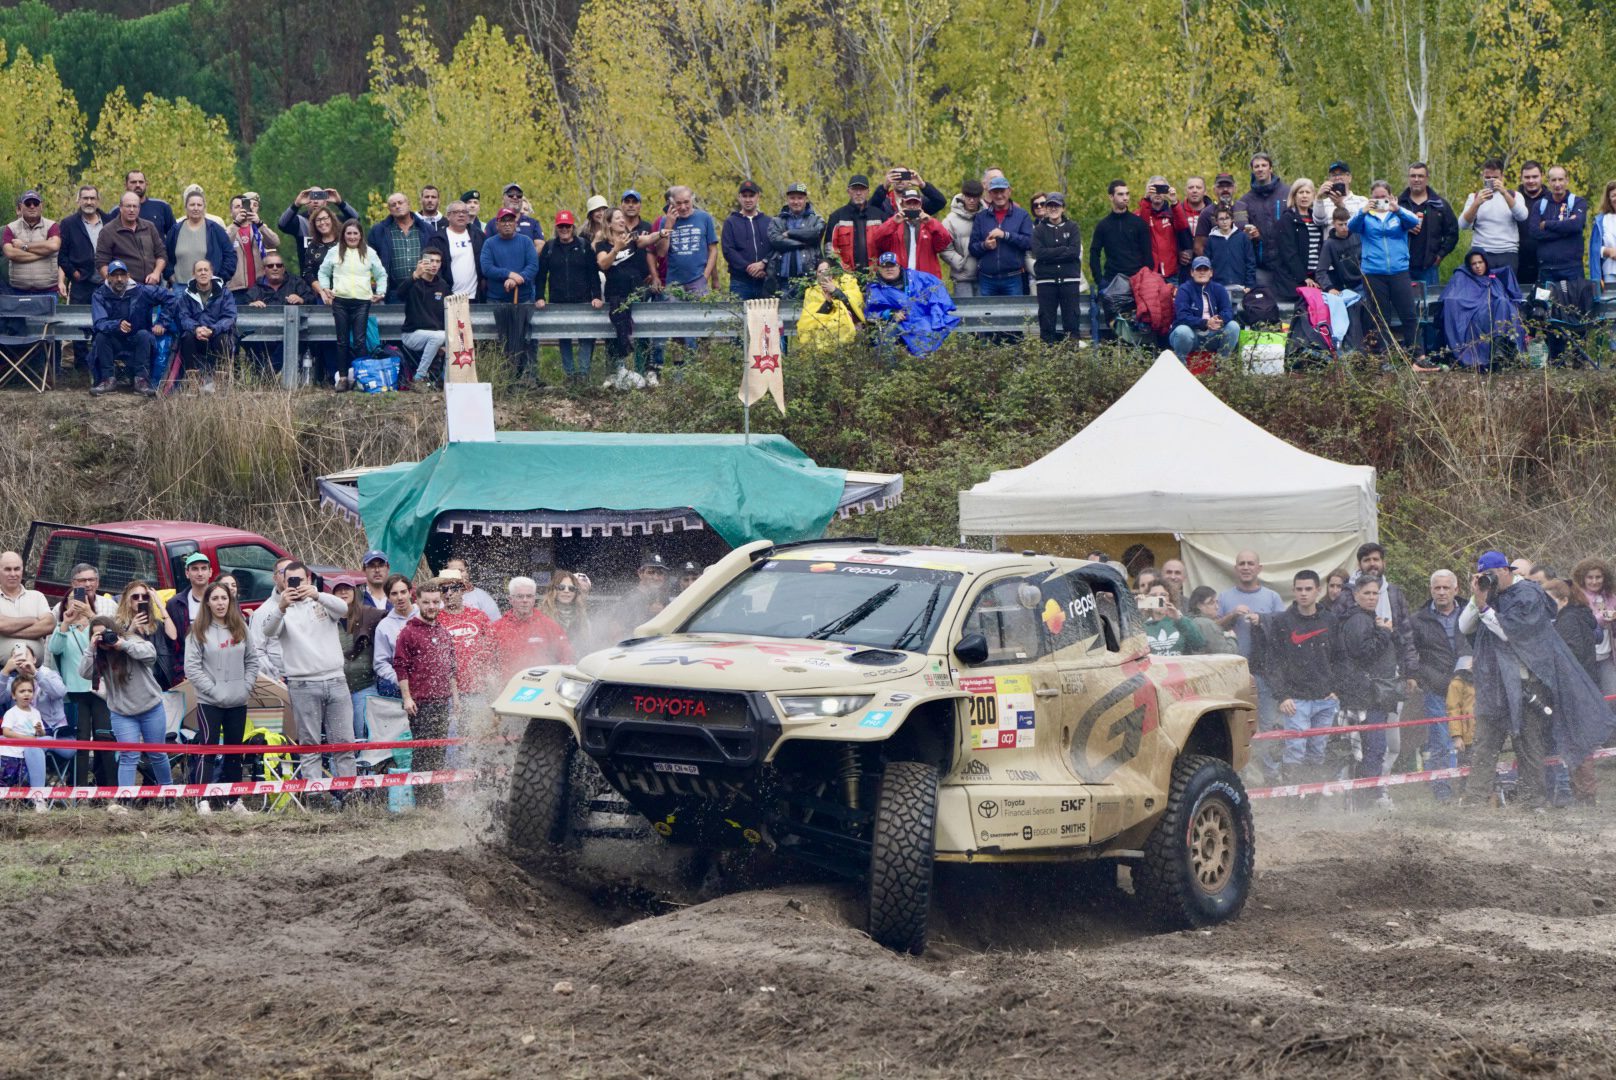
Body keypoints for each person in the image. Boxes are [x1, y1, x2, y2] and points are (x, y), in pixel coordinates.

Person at [1460, 551, 1613, 809]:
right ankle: (1474, 801)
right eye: (1483, 576)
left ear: (1506, 571)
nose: (1489, 580)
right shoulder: (1489, 594)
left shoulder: (1529, 594)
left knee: (1529, 744)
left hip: (1526, 683)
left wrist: (1485, 607)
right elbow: (1464, 626)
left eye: (1492, 575)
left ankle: (1533, 801)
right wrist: (1478, 598)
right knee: (1485, 743)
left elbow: (1511, 634)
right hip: (1495, 684)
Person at [258, 561, 356, 788]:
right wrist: (282, 606)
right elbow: (268, 630)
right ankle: (315, 792)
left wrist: (318, 595)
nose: (294, 585)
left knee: (344, 742)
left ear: (308, 580)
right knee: (310, 743)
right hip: (302, 683)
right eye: (289, 580)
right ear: (282, 582)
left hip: (335, 679)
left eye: (299, 580)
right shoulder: (279, 609)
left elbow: (343, 609)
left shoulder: (321, 601)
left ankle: (348, 790)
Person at [1255, 570, 1337, 789]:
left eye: (1308, 589)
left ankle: (1312, 798)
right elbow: (1273, 662)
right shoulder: (1282, 621)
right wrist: (1282, 696)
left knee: (1318, 750)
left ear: (1318, 591)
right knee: (1295, 750)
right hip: (1295, 700)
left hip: (1325, 698)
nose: (1303, 594)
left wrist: (1337, 689)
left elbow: (1341, 657)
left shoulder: (1330, 619)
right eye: (1299, 589)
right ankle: (1293, 797)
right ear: (1293, 591)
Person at [81, 609, 169, 813]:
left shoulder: (131, 641)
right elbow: (84, 673)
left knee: (157, 754)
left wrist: (123, 645)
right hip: (122, 712)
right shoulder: (98, 655)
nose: (105, 639)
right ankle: (126, 801)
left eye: (106, 633)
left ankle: (169, 796)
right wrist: (92, 648)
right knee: (128, 755)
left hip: (150, 707)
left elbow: (151, 654)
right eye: (99, 636)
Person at [184, 581, 260, 813]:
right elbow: (192, 668)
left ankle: (234, 800)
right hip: (211, 702)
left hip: (238, 700)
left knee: (234, 751)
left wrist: (245, 687)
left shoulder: (241, 628)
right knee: (208, 749)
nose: (220, 603)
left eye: (224, 598)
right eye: (215, 598)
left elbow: (252, 660)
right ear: (207, 602)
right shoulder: (198, 631)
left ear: (230, 600)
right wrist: (215, 690)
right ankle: (203, 799)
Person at [1218, 550, 1287, 783]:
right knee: (1236, 726)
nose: (1246, 567)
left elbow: (1285, 629)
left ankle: (1271, 774)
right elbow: (1212, 629)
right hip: (1234, 676)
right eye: (1241, 564)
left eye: (1250, 563)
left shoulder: (1272, 597)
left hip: (1264, 673)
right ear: (1236, 568)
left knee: (1266, 724)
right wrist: (1231, 615)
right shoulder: (1225, 597)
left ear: (1260, 568)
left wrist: (1262, 620)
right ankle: (1240, 775)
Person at [1334, 575, 1399, 808]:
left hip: (1370, 694)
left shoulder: (1367, 618)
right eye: (1367, 593)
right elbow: (1364, 653)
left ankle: (1365, 799)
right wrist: (1384, 633)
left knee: (1370, 750)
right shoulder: (1359, 620)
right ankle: (1366, 800)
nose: (1371, 598)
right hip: (1366, 696)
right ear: (1356, 595)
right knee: (1373, 750)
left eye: (1375, 594)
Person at [391, 580, 457, 806]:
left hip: (442, 700)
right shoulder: (408, 632)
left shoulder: (443, 631)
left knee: (439, 752)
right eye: (426, 602)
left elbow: (451, 669)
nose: (431, 606)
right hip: (420, 702)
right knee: (423, 752)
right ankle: (424, 801)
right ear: (416, 601)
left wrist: (455, 699)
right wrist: (406, 697)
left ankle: (436, 799)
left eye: (435, 602)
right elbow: (400, 666)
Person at [1348, 181, 1423, 362]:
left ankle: (1417, 355)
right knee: (1381, 317)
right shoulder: (1365, 217)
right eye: (1377, 197)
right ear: (1371, 198)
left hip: (1399, 271)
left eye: (1384, 197)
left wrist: (1397, 208)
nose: (1381, 200)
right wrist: (1363, 211)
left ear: (1390, 196)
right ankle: (1385, 357)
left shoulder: (1398, 214)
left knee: (1409, 315)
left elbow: (1414, 221)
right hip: (1374, 273)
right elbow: (1351, 227)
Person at [1410, 570, 1466, 803]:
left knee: (1469, 739)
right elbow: (1413, 655)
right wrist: (1423, 676)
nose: (1441, 592)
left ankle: (1468, 786)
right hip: (1437, 687)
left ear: (1456, 589)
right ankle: (1442, 789)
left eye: (1446, 588)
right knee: (1440, 740)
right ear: (1431, 590)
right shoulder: (1418, 620)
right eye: (1437, 588)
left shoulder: (1470, 614)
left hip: (1468, 686)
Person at [535, 210, 604, 380]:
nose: (564, 229)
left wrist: (596, 296)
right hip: (558, 300)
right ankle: (569, 374)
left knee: (586, 336)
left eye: (567, 226)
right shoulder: (549, 247)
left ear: (572, 227)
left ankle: (583, 373)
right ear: (556, 227)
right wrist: (539, 296)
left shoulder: (584, 245)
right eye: (561, 226)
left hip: (583, 299)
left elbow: (593, 273)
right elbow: (542, 275)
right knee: (564, 337)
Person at [88, 260, 175, 396]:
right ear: (108, 277)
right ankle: (107, 380)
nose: (119, 279)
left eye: (122, 275)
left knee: (144, 335)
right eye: (115, 276)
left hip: (137, 339)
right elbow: (99, 322)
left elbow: (170, 298)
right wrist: (117, 325)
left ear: (128, 276)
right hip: (113, 340)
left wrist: (162, 322)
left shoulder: (142, 291)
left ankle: (141, 382)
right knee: (101, 336)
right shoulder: (99, 294)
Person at [316, 219, 386, 378]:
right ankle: (342, 377)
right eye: (349, 233)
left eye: (355, 233)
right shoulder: (335, 251)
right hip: (340, 301)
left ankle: (362, 376)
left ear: (361, 235)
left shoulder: (369, 252)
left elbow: (381, 274)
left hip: (362, 302)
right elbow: (323, 272)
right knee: (342, 341)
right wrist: (326, 288)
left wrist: (380, 292)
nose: (352, 237)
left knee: (360, 341)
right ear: (343, 235)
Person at [480, 209, 540, 378]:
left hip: (524, 299)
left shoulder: (526, 242)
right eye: (503, 221)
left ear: (515, 223)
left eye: (510, 220)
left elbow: (533, 266)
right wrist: (508, 274)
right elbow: (487, 267)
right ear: (497, 224)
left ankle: (530, 376)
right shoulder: (490, 244)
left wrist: (518, 278)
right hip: (496, 300)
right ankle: (500, 376)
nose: (507, 223)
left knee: (528, 339)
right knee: (498, 340)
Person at [1088, 181, 1151, 340]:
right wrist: (1100, 280)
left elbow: (1148, 255)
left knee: (1139, 327)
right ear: (1111, 197)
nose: (1125, 198)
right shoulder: (1103, 225)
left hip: (1136, 282)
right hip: (1112, 282)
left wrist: (1145, 279)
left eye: (1127, 194)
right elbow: (1094, 253)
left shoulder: (1139, 224)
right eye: (1121, 194)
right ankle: (1115, 360)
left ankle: (1139, 360)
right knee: (1115, 330)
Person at [865, 251, 960, 357]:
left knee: (928, 331)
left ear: (899, 266)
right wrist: (891, 313)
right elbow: (872, 312)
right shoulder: (875, 287)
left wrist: (936, 314)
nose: (888, 269)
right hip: (897, 323)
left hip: (924, 318)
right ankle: (888, 371)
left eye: (892, 265)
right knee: (886, 337)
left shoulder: (919, 278)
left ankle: (925, 365)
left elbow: (938, 293)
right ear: (879, 268)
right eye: (884, 266)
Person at [1442, 250, 1525, 371]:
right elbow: (1452, 298)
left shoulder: (1493, 279)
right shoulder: (1462, 277)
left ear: (1485, 263)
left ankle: (1499, 348)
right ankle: (1493, 352)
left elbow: (1506, 299)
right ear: (1469, 266)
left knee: (1502, 303)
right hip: (1472, 315)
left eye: (1480, 262)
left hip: (1492, 314)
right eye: (1474, 263)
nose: (1477, 266)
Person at [492, 576, 573, 682]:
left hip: (540, 687)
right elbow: (488, 664)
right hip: (507, 689)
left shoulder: (549, 625)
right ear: (510, 599)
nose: (525, 600)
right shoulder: (497, 628)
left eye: (529, 596)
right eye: (520, 596)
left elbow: (566, 657)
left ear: (534, 599)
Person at [595, 209, 644, 379]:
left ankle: (640, 368)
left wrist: (659, 234)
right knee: (617, 324)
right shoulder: (602, 245)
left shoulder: (631, 237)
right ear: (609, 223)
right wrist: (616, 249)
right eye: (618, 218)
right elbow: (603, 264)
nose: (622, 220)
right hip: (615, 291)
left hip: (635, 289)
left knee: (640, 330)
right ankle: (618, 368)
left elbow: (646, 240)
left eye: (623, 217)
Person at [967, 176, 1034, 297]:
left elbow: (1029, 243)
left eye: (1002, 191)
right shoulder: (981, 217)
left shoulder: (1022, 215)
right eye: (995, 192)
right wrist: (984, 245)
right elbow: (972, 248)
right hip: (986, 279)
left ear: (1009, 191)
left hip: (1013, 278)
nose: (999, 196)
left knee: (1015, 315)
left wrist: (1006, 235)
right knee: (985, 315)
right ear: (990, 194)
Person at [175, 259, 236, 391]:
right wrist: (196, 328)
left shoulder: (224, 293)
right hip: (196, 335)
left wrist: (213, 330)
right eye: (199, 270)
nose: (203, 273)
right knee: (186, 338)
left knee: (223, 339)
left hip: (216, 333)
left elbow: (230, 317)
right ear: (194, 274)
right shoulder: (186, 295)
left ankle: (220, 385)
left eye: (206, 270)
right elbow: (183, 317)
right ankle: (193, 383)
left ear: (211, 273)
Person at [1459, 158, 1528, 273]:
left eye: (1495, 178)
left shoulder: (1515, 195)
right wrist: (1476, 204)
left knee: (1505, 289)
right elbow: (1463, 225)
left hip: (1508, 252)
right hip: (1481, 252)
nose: (1491, 180)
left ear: (1502, 177)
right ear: (1482, 177)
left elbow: (1523, 216)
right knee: (1483, 290)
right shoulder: (1474, 197)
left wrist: (1504, 193)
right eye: (1487, 178)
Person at [1030, 192, 1082, 343]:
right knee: (1046, 325)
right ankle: (1048, 362)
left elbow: (1074, 252)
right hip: (1046, 282)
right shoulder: (1039, 230)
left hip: (1069, 281)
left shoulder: (1073, 227)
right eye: (1050, 205)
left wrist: (1050, 253)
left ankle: (1072, 361)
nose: (1054, 208)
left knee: (1072, 323)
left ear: (1063, 208)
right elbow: (1038, 253)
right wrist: (1062, 249)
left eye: (1057, 205)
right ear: (1046, 208)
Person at [335, 581, 385, 739]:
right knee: (340, 738)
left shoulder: (368, 614)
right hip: (336, 689)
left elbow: (392, 617)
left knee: (364, 735)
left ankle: (366, 764)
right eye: (339, 589)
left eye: (347, 588)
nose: (343, 592)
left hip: (364, 686)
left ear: (354, 591)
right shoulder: (327, 618)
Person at [1399, 162, 1459, 292]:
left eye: (1420, 176)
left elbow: (1453, 233)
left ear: (1427, 178)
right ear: (1408, 178)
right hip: (1401, 267)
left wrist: (1440, 255)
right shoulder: (1399, 204)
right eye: (1413, 176)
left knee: (1429, 307)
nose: (1416, 180)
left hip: (1429, 267)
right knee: (1404, 309)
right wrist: (1404, 228)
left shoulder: (1439, 204)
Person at [869, 188, 953, 277]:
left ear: (920, 205)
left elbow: (945, 242)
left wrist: (931, 222)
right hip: (900, 279)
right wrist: (893, 222)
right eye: (908, 203)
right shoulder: (894, 225)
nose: (912, 207)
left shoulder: (929, 225)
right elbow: (876, 240)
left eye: (915, 203)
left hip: (925, 279)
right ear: (902, 204)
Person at [1169, 256, 1239, 363]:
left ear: (1211, 273)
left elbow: (1228, 311)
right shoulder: (1184, 289)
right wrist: (1206, 323)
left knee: (1233, 326)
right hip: (1192, 335)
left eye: (1205, 269)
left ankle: (1222, 365)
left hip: (1212, 334)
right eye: (1198, 269)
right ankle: (1181, 366)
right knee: (1182, 331)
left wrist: (1219, 319)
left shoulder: (1219, 288)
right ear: (1192, 273)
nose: (1202, 272)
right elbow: (1182, 316)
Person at [368, 192, 435, 305]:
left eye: (400, 203)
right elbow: (370, 260)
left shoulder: (426, 229)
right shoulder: (379, 231)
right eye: (393, 205)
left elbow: (435, 255)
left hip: (422, 289)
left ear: (408, 204)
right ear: (389, 209)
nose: (397, 206)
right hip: (394, 291)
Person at [164, 187, 236, 290]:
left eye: (199, 205)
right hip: (181, 288)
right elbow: (165, 255)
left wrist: (220, 278)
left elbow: (230, 255)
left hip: (208, 289)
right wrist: (170, 275)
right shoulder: (175, 230)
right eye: (192, 205)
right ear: (186, 207)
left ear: (204, 207)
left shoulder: (215, 230)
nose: (196, 208)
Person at [1236, 154, 1290, 286]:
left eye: (1264, 165)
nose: (1260, 169)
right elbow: (1239, 232)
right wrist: (1247, 233)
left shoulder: (1288, 193)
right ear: (1253, 170)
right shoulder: (1244, 201)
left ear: (1270, 168)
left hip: (1287, 264)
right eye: (1256, 166)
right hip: (1260, 265)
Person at [1528, 166, 1587, 284]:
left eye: (1560, 179)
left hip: (1572, 269)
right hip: (1546, 270)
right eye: (1553, 180)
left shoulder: (1578, 202)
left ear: (1567, 180)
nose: (1557, 184)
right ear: (1548, 181)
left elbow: (1576, 225)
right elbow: (1534, 232)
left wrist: (1547, 224)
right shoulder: (1539, 205)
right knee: (1544, 303)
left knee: (1574, 303)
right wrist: (1566, 230)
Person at [399, 251, 448, 391]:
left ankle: (443, 380)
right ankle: (418, 378)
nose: (434, 265)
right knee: (440, 336)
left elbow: (449, 311)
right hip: (412, 335)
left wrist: (445, 342)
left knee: (451, 337)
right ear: (422, 263)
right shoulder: (413, 282)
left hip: (436, 336)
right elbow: (399, 294)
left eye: (438, 261)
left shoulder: (442, 285)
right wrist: (415, 275)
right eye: (430, 261)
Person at [658, 185, 719, 296]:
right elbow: (661, 252)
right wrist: (668, 227)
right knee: (672, 313)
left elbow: (713, 250)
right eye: (678, 203)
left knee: (701, 313)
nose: (683, 207)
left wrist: (706, 276)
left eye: (686, 202)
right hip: (674, 282)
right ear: (671, 203)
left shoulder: (705, 218)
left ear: (692, 199)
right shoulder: (665, 220)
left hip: (698, 280)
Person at [96, 192, 167, 286]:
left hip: (151, 287)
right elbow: (101, 262)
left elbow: (161, 254)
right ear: (120, 208)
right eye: (128, 206)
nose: (132, 210)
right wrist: (114, 283)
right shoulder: (108, 231)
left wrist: (156, 273)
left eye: (135, 206)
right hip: (125, 290)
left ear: (139, 208)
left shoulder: (149, 227)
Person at [162, 552, 214, 677]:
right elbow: (172, 644)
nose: (200, 573)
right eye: (195, 569)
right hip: (189, 668)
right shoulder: (175, 604)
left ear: (210, 572)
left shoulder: (224, 598)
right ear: (187, 573)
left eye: (203, 568)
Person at [1271, 178, 1324, 298]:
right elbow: (1289, 252)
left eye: (1308, 192)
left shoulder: (1317, 218)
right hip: (1295, 278)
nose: (1304, 196)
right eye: (1301, 192)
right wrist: (1303, 277)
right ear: (1294, 196)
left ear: (1313, 196)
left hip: (1315, 276)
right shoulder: (1288, 219)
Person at [1570, 557, 1616, 695]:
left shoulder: (1610, 596)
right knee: (1591, 696)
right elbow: (1581, 623)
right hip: (1586, 657)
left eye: (1598, 577)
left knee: (1612, 695)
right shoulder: (1576, 596)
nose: (1594, 581)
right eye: (1590, 577)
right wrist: (1604, 617)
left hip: (1606, 655)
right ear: (1582, 578)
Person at [795, 259, 865, 349]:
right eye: (820, 271)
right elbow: (810, 318)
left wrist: (835, 291)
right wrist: (828, 302)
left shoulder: (845, 282)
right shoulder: (811, 292)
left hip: (846, 327)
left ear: (832, 271)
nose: (824, 273)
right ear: (816, 274)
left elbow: (856, 308)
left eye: (826, 270)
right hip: (822, 331)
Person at [3, 190, 61, 297]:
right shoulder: (10, 228)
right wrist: (44, 252)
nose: (32, 206)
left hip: (48, 291)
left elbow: (54, 245)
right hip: (18, 291)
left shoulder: (52, 226)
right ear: (21, 207)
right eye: (28, 203)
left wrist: (23, 246)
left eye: (36, 203)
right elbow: (11, 253)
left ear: (41, 206)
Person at [824, 174, 886, 274]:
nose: (858, 193)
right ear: (848, 191)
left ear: (868, 192)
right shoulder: (836, 217)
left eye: (862, 189)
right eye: (855, 189)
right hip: (846, 276)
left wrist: (881, 270)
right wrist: (841, 272)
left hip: (876, 276)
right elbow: (829, 249)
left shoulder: (880, 216)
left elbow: (888, 246)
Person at [768, 182, 824, 292]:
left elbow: (816, 234)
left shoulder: (816, 219)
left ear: (806, 199)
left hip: (809, 279)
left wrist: (789, 233)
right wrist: (804, 242)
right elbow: (776, 241)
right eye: (792, 198)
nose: (796, 201)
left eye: (800, 198)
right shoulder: (776, 220)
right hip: (782, 281)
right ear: (787, 199)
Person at [57, 186, 109, 303]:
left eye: (92, 198)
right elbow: (61, 255)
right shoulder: (68, 224)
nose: (89, 202)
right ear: (78, 200)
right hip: (81, 285)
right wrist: (74, 273)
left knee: (107, 319)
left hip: (107, 283)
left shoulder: (109, 221)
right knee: (79, 319)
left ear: (98, 201)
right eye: (85, 198)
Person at [277, 186, 358, 260]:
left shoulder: (335, 221)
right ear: (306, 203)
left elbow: (355, 221)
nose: (315, 201)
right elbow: (282, 224)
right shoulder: (300, 222)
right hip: (308, 274)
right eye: (312, 197)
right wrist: (296, 204)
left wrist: (340, 203)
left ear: (326, 202)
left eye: (319, 196)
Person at [0, 551, 52, 664]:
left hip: (34, 675)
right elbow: (1, 624)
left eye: (17, 569)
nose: (13, 574)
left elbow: (49, 624)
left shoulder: (37, 596)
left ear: (22, 570)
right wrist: (32, 620)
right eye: (7, 569)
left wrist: (8, 632)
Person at [1136, 176, 1192, 279]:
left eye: (1161, 189)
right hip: (1149, 274)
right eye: (1154, 189)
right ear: (1148, 191)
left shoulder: (1173, 213)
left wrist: (1175, 203)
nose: (1157, 193)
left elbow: (1183, 227)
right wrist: (1146, 200)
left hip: (1171, 273)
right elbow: (1142, 228)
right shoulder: (1139, 213)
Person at [426, 201, 484, 300]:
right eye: (456, 212)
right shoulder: (437, 239)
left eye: (464, 212)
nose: (461, 215)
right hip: (449, 297)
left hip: (475, 297)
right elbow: (432, 269)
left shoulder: (478, 235)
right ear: (448, 216)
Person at [224, 194, 278, 300]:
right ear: (231, 212)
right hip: (236, 289)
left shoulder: (258, 228)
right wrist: (236, 224)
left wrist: (260, 224)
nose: (241, 210)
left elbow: (275, 242)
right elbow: (223, 245)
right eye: (237, 207)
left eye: (242, 206)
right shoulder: (228, 230)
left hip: (260, 286)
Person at [247, 557, 293, 680]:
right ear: (275, 578)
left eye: (292, 570)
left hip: (313, 675)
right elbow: (256, 650)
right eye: (283, 572)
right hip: (285, 677)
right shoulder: (263, 612)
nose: (288, 575)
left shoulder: (309, 604)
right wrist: (275, 676)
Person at [373, 573, 416, 699]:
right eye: (394, 594)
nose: (400, 597)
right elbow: (380, 663)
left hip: (427, 682)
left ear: (410, 592)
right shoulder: (384, 626)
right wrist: (399, 680)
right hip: (400, 686)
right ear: (388, 597)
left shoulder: (424, 613)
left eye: (403, 592)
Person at [940, 179, 984, 297]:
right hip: (962, 278)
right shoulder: (949, 221)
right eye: (968, 196)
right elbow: (944, 249)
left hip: (985, 276)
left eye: (975, 197)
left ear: (980, 197)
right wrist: (961, 263)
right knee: (966, 313)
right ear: (963, 196)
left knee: (986, 313)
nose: (971, 200)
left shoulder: (987, 216)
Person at [542, 570, 597, 655]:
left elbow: (588, 648)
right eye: (561, 587)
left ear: (575, 592)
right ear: (554, 590)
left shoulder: (583, 619)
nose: (566, 591)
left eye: (571, 588)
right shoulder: (542, 616)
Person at [1140, 583, 1204, 656]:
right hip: (1154, 667)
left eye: (1163, 595)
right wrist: (1137, 615)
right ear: (1147, 600)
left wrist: (1179, 619)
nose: (1158, 598)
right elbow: (1131, 651)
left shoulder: (1181, 621)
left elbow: (1199, 645)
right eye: (1153, 595)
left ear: (1170, 598)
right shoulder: (1143, 626)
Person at [1204, 206, 1256, 288]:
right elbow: (1207, 264)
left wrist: (1249, 285)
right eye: (1221, 219)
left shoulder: (1242, 237)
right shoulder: (1211, 240)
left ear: (1232, 220)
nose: (1224, 222)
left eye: (1227, 218)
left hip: (1240, 284)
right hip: (1218, 286)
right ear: (1216, 221)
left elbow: (1250, 262)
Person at [1315, 207, 1363, 294]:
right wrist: (1329, 288)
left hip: (1366, 281)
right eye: (1340, 224)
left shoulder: (1358, 235)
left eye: (1346, 223)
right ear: (1333, 224)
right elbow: (1320, 272)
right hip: (1347, 288)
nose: (1344, 227)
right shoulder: (1329, 244)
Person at [1193, 172, 1241, 257]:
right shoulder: (1206, 213)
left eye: (1229, 186)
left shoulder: (1243, 207)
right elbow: (1198, 246)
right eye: (1221, 186)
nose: (1225, 189)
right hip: (1217, 266)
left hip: (1242, 266)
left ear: (1234, 188)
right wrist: (1211, 265)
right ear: (1214, 189)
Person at [1515, 161, 1547, 284]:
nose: (1531, 181)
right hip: (1518, 262)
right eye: (1527, 177)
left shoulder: (1551, 199)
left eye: (1535, 177)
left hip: (1544, 262)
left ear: (1542, 176)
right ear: (1521, 178)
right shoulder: (1513, 200)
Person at [299, 206, 343, 296]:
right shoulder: (313, 246)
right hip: (322, 296)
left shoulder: (344, 241)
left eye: (325, 218)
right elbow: (307, 273)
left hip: (345, 294)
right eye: (318, 220)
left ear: (332, 219)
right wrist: (322, 292)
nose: (322, 222)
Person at [441, 557, 501, 622]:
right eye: (453, 571)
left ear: (468, 572)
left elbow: (496, 623)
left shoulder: (481, 596)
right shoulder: (438, 597)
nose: (457, 574)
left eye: (460, 571)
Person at [124, 171, 175, 237]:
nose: (138, 185)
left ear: (146, 184)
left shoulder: (162, 207)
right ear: (125, 185)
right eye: (133, 182)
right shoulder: (118, 211)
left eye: (141, 182)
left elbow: (174, 236)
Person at [1186, 586, 1235, 653]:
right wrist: (1231, 638)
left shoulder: (1187, 620)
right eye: (1211, 603)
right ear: (1199, 605)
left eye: (1217, 602)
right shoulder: (1206, 624)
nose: (1217, 607)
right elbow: (1225, 653)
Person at [1592, 180, 1616, 286]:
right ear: (1609, 199)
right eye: (1614, 195)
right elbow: (1595, 249)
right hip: (1610, 272)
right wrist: (1608, 251)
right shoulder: (1601, 220)